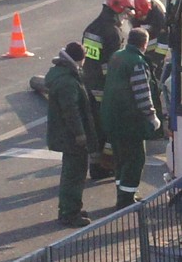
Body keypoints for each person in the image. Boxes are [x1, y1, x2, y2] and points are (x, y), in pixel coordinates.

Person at [101, 27, 164, 211]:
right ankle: (127, 199)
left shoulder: (117, 56)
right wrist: (152, 116)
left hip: (111, 117)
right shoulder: (136, 62)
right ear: (144, 43)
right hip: (129, 121)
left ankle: (123, 192)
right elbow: (142, 92)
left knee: (120, 158)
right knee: (135, 158)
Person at [46, 41, 96, 228]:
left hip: (64, 135)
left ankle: (70, 208)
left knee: (71, 173)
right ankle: (69, 212)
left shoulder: (62, 75)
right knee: (74, 175)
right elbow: (71, 111)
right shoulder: (68, 81)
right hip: (71, 137)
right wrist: (80, 134)